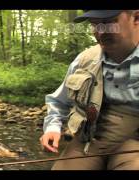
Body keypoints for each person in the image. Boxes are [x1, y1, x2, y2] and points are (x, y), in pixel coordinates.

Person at [40, 10, 139, 170]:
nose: (100, 32)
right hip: (88, 141)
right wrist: (52, 128)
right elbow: (58, 102)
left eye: (108, 23)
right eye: (94, 24)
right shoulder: (85, 60)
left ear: (136, 17)